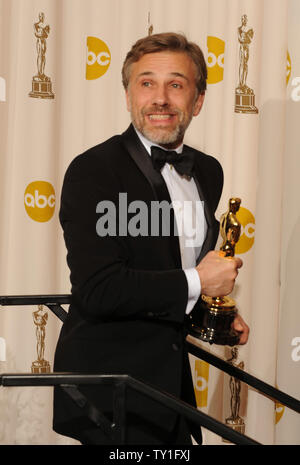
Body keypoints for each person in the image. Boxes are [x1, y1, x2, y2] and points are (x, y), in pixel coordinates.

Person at [53, 32, 249, 445]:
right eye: (146, 83)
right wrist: (199, 281)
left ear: (197, 100)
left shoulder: (208, 172)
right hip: (111, 396)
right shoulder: (93, 172)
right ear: (128, 95)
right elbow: (98, 288)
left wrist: (211, 310)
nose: (160, 98)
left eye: (176, 84)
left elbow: (166, 266)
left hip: (171, 392)